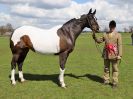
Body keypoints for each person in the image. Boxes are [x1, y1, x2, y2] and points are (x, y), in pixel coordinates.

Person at [92, 20, 122, 88]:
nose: (112, 28)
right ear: (109, 26)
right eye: (111, 27)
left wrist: (120, 55)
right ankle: (106, 81)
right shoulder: (105, 34)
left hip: (115, 55)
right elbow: (99, 41)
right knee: (106, 68)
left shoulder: (118, 35)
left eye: (113, 27)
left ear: (115, 27)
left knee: (115, 69)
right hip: (106, 54)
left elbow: (120, 45)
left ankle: (115, 83)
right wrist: (95, 37)